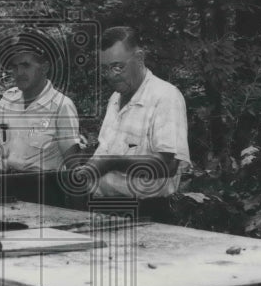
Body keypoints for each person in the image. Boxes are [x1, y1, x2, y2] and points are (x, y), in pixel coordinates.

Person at [79, 26, 190, 199]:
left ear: (139, 58)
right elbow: (104, 151)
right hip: (103, 207)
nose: (111, 75)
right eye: (105, 68)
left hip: (147, 213)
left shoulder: (165, 97)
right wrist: (88, 168)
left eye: (118, 67)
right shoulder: (115, 99)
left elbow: (168, 165)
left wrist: (111, 163)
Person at [0, 29, 82, 180]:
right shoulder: (8, 100)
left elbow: (73, 163)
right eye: (14, 67)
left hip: (43, 190)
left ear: (45, 68)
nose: (19, 72)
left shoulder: (61, 106)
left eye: (26, 65)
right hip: (7, 184)